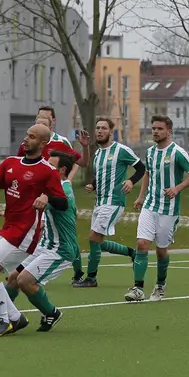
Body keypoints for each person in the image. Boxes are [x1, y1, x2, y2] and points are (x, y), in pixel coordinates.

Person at [0, 123, 68, 336]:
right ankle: (16, 317)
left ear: (42, 144)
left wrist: (47, 197)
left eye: (31, 137)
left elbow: (63, 202)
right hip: (8, 228)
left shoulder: (48, 171)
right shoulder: (10, 163)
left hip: (26, 232)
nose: (25, 139)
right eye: (26, 135)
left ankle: (4, 321)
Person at [125, 115, 189, 302]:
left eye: (159, 128)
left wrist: (177, 188)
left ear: (169, 131)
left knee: (161, 251)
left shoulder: (177, 152)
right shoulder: (150, 152)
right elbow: (148, 174)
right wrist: (141, 197)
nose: (156, 132)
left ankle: (160, 285)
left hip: (169, 209)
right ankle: (138, 288)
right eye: (153, 128)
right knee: (142, 244)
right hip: (150, 205)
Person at [3, 153, 77, 332]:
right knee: (13, 277)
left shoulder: (63, 190)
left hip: (61, 249)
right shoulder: (52, 187)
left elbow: (41, 202)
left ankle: (51, 312)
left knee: (25, 281)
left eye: (50, 166)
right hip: (45, 246)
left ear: (62, 170)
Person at [74, 117, 143, 287]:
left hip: (114, 201)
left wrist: (131, 181)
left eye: (104, 128)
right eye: (97, 128)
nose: (99, 131)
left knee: (94, 237)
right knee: (96, 240)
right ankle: (132, 254)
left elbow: (141, 168)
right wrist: (93, 185)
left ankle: (91, 278)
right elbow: (101, 176)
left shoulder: (121, 150)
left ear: (111, 132)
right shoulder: (97, 154)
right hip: (99, 202)